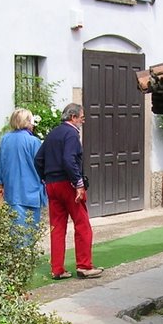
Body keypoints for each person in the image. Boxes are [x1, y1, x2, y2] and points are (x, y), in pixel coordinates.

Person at [34, 103, 103, 280]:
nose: (83, 121)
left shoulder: (53, 133)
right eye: (82, 117)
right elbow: (68, 159)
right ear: (73, 117)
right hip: (68, 185)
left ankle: (57, 269)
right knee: (82, 224)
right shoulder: (72, 133)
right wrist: (78, 183)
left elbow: (38, 159)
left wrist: (45, 177)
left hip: (51, 184)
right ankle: (84, 266)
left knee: (57, 227)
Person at [0, 107, 46, 243]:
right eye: (31, 121)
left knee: (14, 230)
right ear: (27, 122)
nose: (33, 124)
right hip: (31, 190)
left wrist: (1, 182)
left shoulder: (5, 140)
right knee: (30, 229)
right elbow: (41, 165)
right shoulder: (33, 142)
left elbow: (0, 163)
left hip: (12, 190)